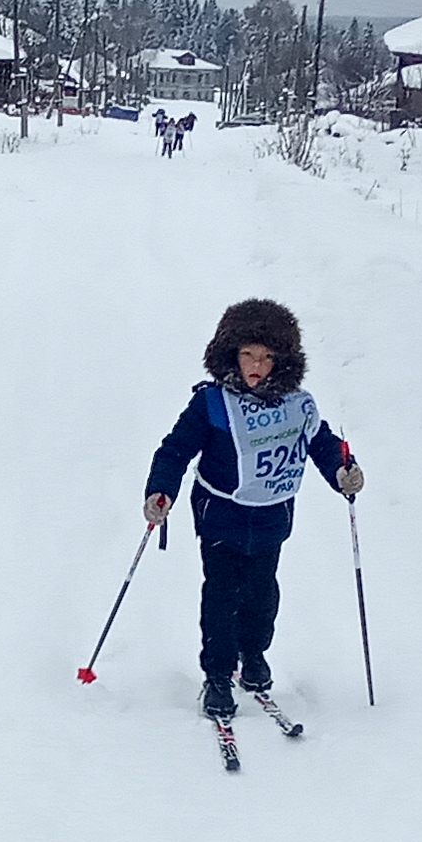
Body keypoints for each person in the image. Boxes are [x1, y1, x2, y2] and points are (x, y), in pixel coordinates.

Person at [141, 298, 361, 721]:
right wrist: (161, 490)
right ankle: (218, 675)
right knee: (221, 596)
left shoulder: (297, 404)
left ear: (282, 361)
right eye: (247, 355)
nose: (256, 365)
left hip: (271, 517)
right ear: (231, 356)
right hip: (220, 514)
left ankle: (254, 653)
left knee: (261, 595)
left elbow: (321, 443)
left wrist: (341, 471)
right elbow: (174, 450)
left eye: (266, 357)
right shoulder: (212, 404)